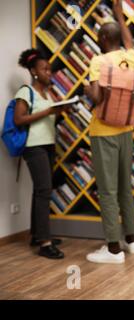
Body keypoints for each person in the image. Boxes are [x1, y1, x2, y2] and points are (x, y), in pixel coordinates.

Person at [84, 0, 134, 264]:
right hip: (126, 129)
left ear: (104, 38)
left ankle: (113, 249)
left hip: (103, 131)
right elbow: (129, 41)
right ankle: (131, 240)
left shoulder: (99, 60)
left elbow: (95, 97)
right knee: (124, 189)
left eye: (98, 35)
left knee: (107, 191)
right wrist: (119, 14)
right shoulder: (131, 57)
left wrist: (86, 89)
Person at [14, 48, 67, 259]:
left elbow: (47, 118)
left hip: (48, 145)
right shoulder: (25, 91)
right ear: (34, 72)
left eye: (50, 69)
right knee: (44, 191)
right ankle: (45, 244)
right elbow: (19, 119)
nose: (49, 73)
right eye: (44, 69)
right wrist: (48, 112)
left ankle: (37, 235)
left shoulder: (47, 93)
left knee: (41, 190)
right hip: (33, 147)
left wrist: (60, 112)